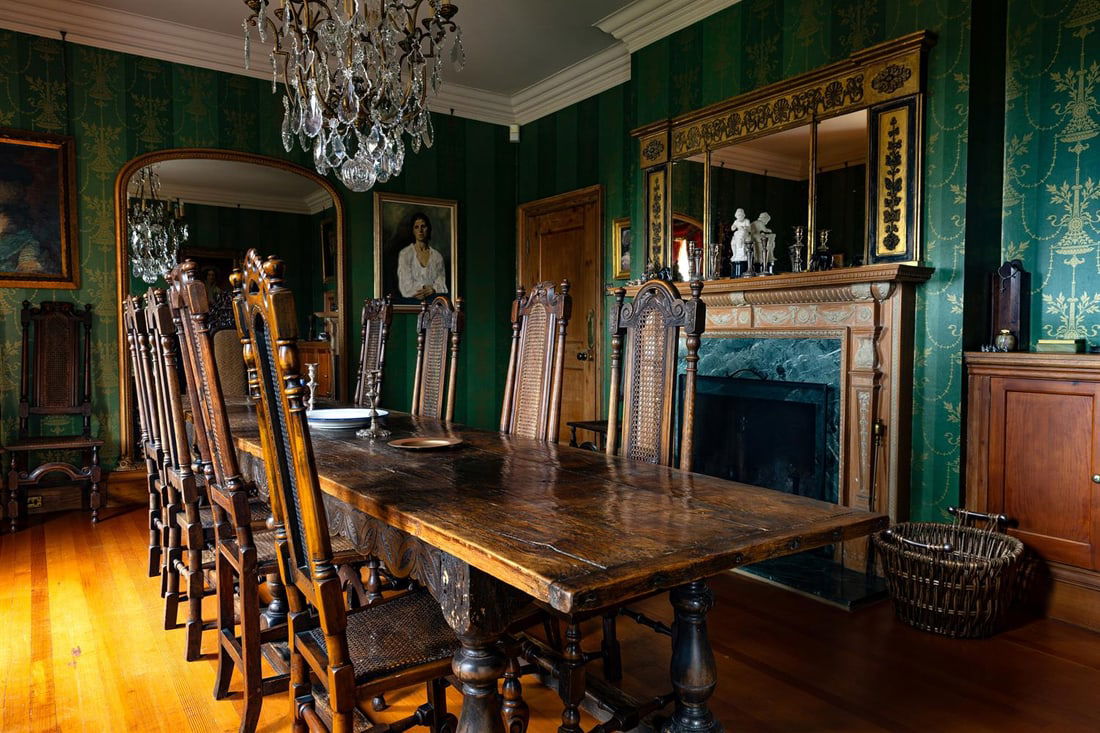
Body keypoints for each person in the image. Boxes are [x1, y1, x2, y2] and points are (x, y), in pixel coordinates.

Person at [396, 211, 448, 300]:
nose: (420, 230)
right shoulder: (405, 254)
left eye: (423, 226)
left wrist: (433, 290)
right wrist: (428, 288)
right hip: (411, 303)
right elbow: (405, 287)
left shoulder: (437, 256)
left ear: (428, 229)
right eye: (416, 227)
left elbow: (442, 285)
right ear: (413, 230)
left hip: (434, 303)